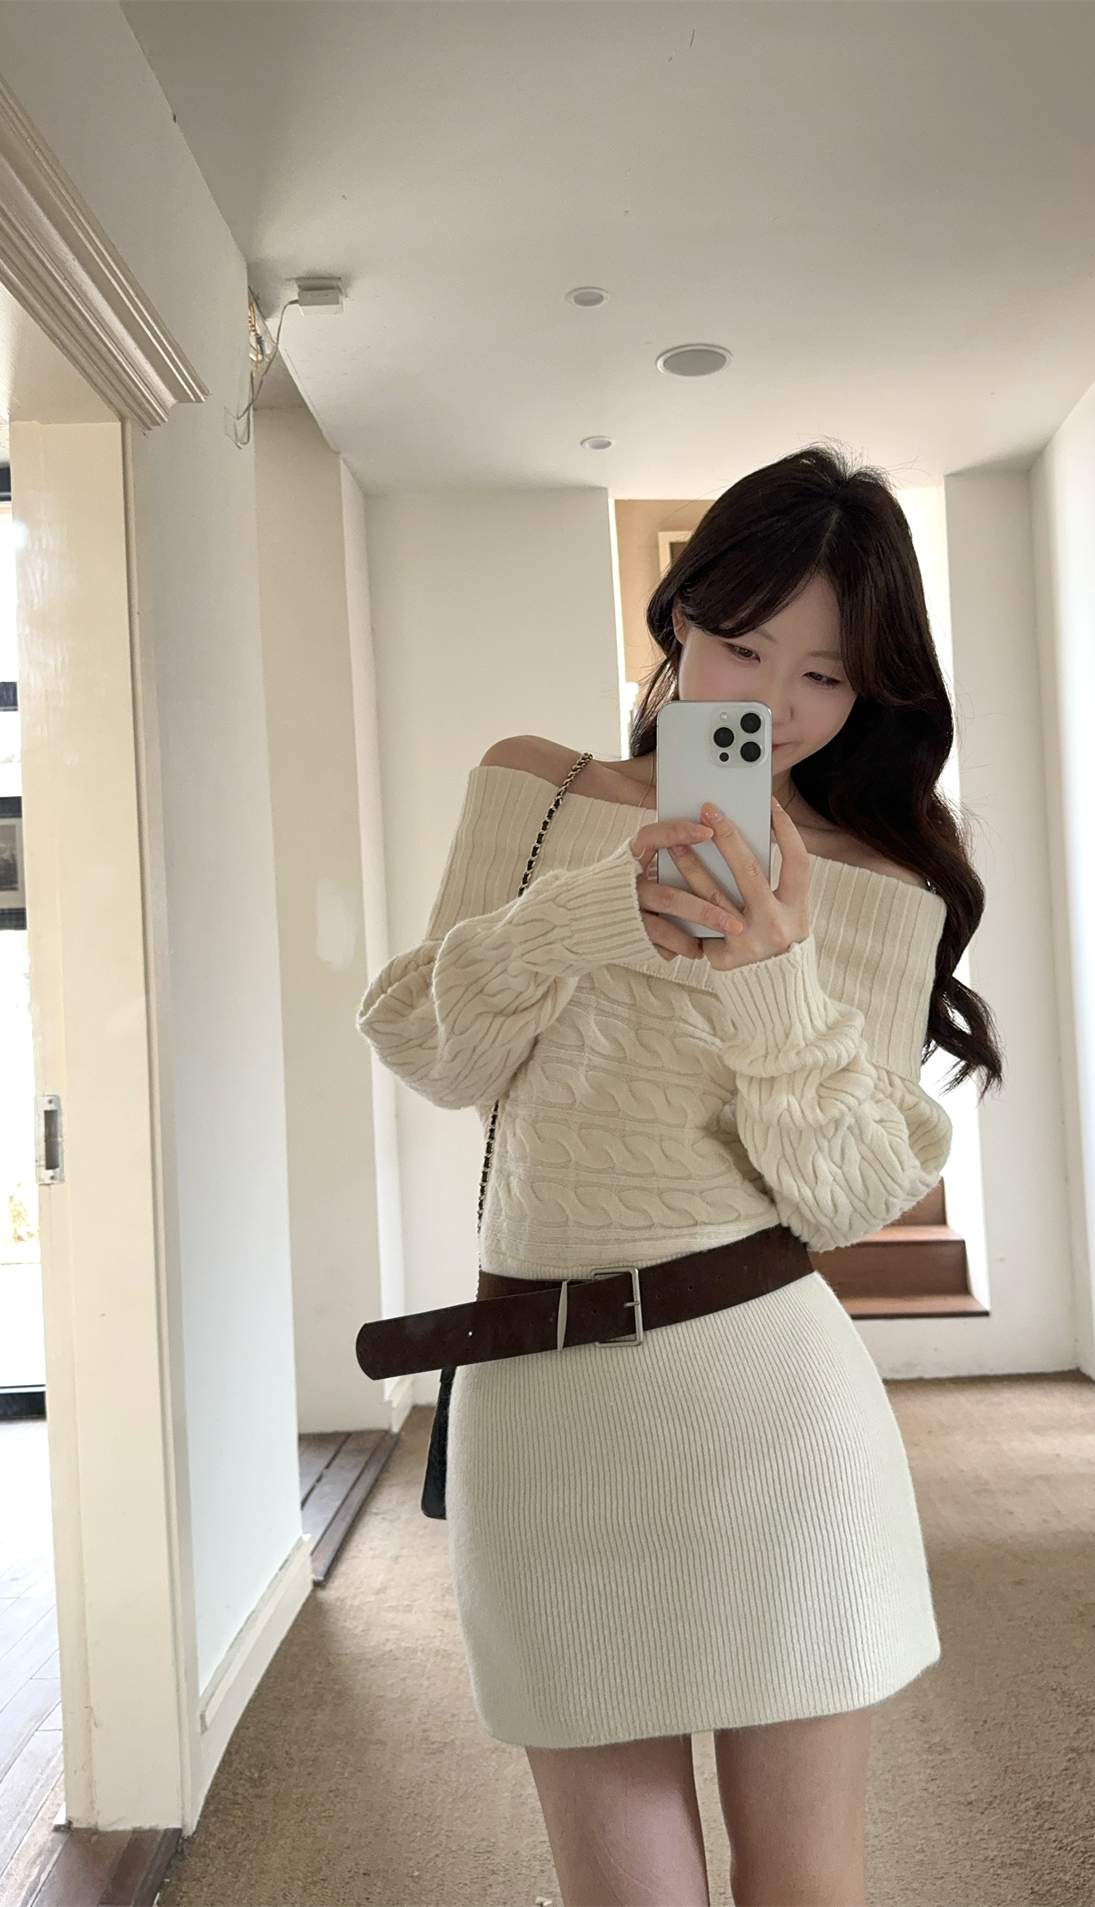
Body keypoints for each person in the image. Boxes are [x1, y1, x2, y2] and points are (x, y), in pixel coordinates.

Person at [358, 445, 1001, 1906]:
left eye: (825, 675)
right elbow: (431, 1049)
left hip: (767, 1402)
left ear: (871, 693)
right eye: (743, 644)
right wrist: (599, 908)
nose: (773, 702)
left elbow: (844, 1197)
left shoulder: (881, 882)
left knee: (802, 1882)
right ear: (679, 622)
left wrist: (771, 974)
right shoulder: (535, 790)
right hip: (539, 1407)